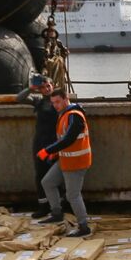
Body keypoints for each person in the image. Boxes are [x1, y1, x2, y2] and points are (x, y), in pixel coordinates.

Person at [37, 86, 92, 237]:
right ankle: (57, 213)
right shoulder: (64, 114)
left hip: (76, 162)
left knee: (73, 195)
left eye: (58, 102)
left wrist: (48, 150)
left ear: (66, 99)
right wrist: (55, 155)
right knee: (47, 182)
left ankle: (83, 227)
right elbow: (64, 140)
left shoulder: (74, 116)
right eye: (53, 102)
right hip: (66, 160)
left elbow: (69, 139)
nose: (55, 105)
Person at [15, 74, 59, 218]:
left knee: (57, 177)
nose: (46, 89)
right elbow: (19, 99)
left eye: (48, 86)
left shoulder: (59, 101)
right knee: (40, 175)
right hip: (40, 142)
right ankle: (43, 206)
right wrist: (31, 88)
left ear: (53, 86)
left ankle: (58, 206)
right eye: (42, 87)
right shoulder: (38, 101)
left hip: (55, 144)